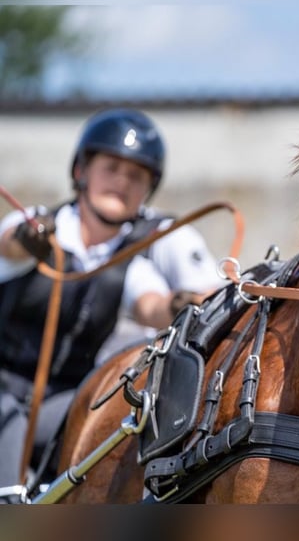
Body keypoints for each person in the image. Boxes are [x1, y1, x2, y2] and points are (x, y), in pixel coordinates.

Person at [0, 108, 225, 493]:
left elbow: (150, 304)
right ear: (81, 172)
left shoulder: (130, 263)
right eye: (111, 167)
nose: (122, 181)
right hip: (2, 389)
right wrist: (29, 240)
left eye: (136, 175)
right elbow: (9, 245)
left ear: (148, 189)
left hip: (63, 400)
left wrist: (177, 305)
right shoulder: (40, 225)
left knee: (111, 426)